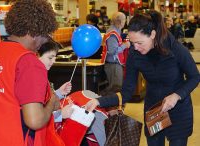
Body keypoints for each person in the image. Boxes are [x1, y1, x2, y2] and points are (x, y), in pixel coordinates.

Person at [86, 10, 200, 146]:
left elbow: (194, 77)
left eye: (139, 43)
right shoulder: (135, 55)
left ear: (152, 34)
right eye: (132, 43)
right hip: (154, 112)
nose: (135, 47)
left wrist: (176, 95)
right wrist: (99, 102)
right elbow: (126, 92)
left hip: (179, 111)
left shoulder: (176, 49)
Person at [0, 0, 59, 146]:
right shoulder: (29, 63)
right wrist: (52, 101)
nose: (44, 42)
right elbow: (35, 120)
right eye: (45, 36)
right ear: (35, 32)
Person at [37, 40, 74, 123]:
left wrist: (59, 92)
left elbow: (47, 101)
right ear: (37, 55)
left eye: (55, 58)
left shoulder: (41, 75)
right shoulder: (34, 79)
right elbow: (36, 117)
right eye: (50, 58)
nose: (53, 61)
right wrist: (61, 114)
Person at [103, 11, 130, 92]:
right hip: (113, 65)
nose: (125, 21)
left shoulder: (117, 31)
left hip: (115, 64)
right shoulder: (112, 33)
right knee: (115, 90)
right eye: (124, 19)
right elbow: (112, 50)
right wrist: (125, 45)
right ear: (120, 21)